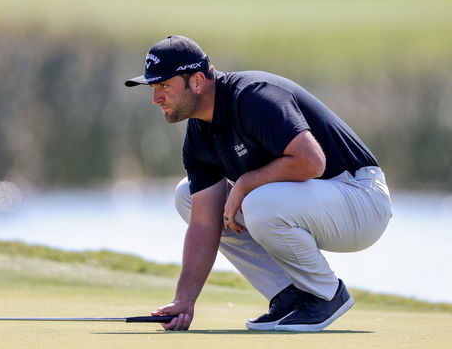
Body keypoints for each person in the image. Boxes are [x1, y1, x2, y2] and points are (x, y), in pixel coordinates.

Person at [124, 35, 392, 332]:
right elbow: (203, 223)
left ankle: (325, 294)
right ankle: (289, 295)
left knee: (257, 201)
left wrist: (244, 184)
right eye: (153, 88)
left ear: (197, 81)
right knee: (187, 195)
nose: (156, 98)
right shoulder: (199, 134)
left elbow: (312, 162)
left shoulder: (254, 96)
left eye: (164, 86)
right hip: (317, 204)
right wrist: (184, 300)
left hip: (361, 199)